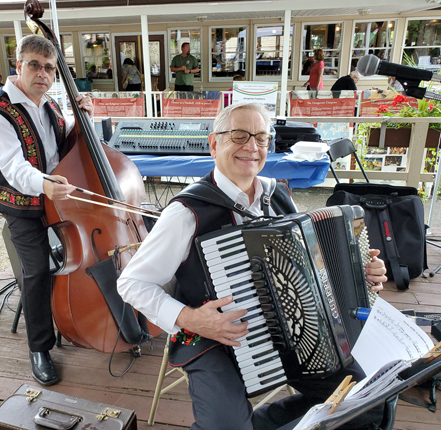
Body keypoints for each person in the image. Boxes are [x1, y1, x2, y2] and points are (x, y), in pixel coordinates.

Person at [118, 102, 387, 430]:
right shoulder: (187, 211)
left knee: (367, 398)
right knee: (227, 425)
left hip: (294, 333)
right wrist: (191, 318)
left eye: (261, 138)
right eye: (240, 136)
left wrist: (361, 274)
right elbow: (130, 283)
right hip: (213, 338)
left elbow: (314, 267)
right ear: (214, 143)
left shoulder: (277, 196)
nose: (252, 147)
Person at [0, 34, 93, 387]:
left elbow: (58, 143)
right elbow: (15, 168)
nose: (43, 73)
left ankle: (87, 315)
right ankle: (39, 348)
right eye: (35, 65)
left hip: (54, 196)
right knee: (37, 270)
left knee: (88, 251)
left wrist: (81, 119)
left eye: (50, 68)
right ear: (18, 66)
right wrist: (45, 185)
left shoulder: (50, 104)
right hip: (21, 204)